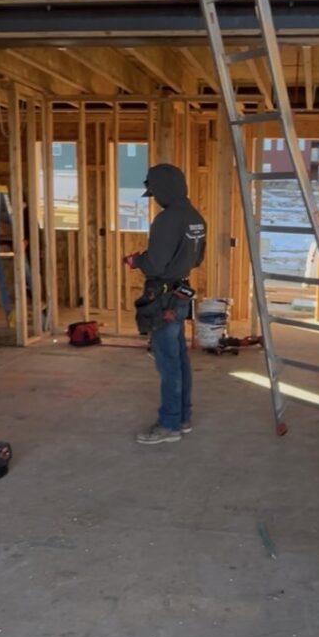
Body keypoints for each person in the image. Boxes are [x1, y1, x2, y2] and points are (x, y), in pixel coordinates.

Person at [123, 163, 206, 445]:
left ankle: (169, 425)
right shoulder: (195, 218)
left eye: (155, 193)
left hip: (163, 297)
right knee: (179, 358)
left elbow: (155, 262)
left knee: (168, 362)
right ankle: (183, 418)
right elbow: (196, 259)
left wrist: (137, 261)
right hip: (180, 292)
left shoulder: (168, 219)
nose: (155, 199)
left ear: (165, 189)